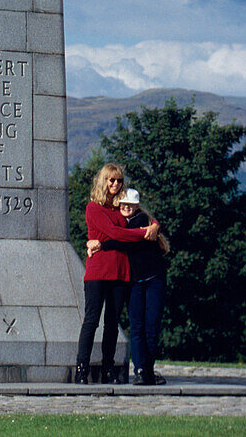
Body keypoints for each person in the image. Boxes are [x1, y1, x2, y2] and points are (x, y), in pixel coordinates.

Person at [75, 163, 159, 385]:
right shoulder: (93, 208)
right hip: (97, 273)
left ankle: (108, 369)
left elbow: (148, 219)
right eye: (111, 180)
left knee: (113, 324)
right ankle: (81, 368)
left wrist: (154, 226)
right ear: (103, 181)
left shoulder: (124, 207)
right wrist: (141, 233)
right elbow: (116, 233)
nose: (115, 184)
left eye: (119, 180)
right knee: (91, 321)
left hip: (121, 272)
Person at [88, 188, 169, 385]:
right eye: (123, 204)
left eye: (130, 205)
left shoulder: (141, 221)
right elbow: (119, 237)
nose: (126, 207)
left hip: (153, 277)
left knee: (149, 326)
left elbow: (123, 239)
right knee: (138, 327)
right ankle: (142, 369)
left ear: (136, 206)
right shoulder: (126, 223)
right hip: (135, 281)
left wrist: (100, 244)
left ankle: (146, 369)